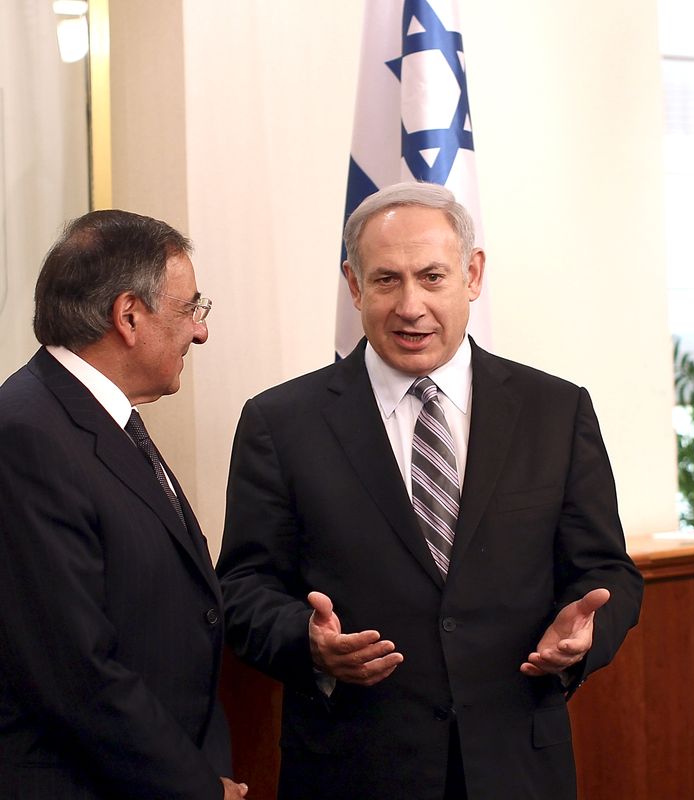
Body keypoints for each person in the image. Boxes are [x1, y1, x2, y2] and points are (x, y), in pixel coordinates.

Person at [217, 181, 643, 799]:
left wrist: (585, 637)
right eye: (387, 280)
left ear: (472, 275)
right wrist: (306, 642)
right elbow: (241, 588)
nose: (410, 305)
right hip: (353, 770)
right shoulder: (281, 423)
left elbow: (607, 570)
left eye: (433, 277)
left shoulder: (555, 409)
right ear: (355, 285)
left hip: (516, 769)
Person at [0, 210, 247, 798]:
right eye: (191, 309)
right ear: (130, 316)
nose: (201, 332)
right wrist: (197, 787)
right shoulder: (27, 434)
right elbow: (76, 670)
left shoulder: (94, 419)